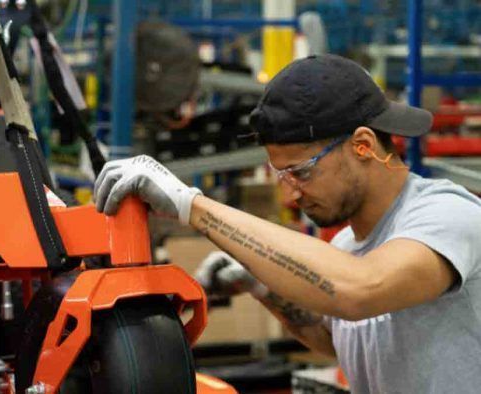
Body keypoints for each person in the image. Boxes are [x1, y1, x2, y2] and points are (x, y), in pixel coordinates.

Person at [93, 54, 481, 393]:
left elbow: (362, 290)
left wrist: (192, 205)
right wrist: (263, 287)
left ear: (363, 144)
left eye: (302, 172)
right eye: (282, 175)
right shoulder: (346, 247)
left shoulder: (446, 216)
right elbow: (338, 337)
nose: (292, 194)